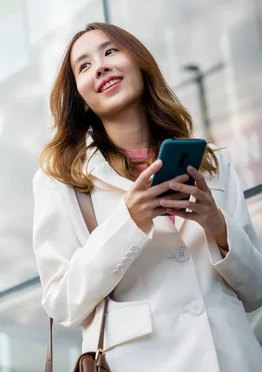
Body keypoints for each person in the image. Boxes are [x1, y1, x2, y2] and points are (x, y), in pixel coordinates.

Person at [32, 22, 262, 372]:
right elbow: (62, 302)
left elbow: (257, 290)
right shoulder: (62, 179)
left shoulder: (210, 163)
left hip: (233, 358)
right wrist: (129, 221)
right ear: (80, 97)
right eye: (84, 65)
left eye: (110, 51)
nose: (101, 66)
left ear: (139, 63)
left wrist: (217, 226)